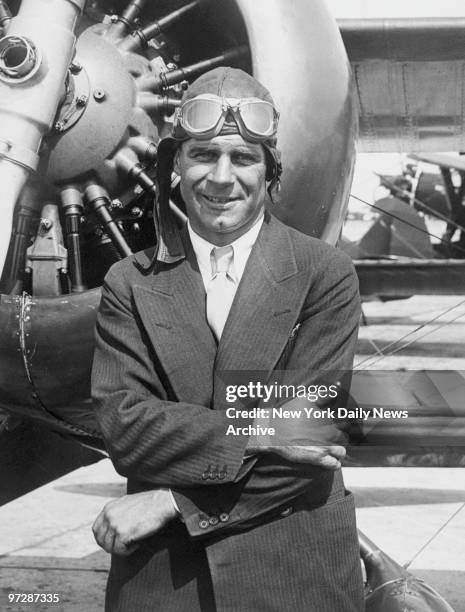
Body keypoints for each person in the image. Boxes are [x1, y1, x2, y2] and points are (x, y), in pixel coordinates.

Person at [91, 67, 364, 611]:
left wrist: (172, 501)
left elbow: (312, 441)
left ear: (269, 173)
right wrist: (261, 429)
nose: (221, 178)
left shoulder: (324, 274)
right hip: (164, 582)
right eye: (203, 156)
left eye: (242, 158)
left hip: (293, 573)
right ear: (172, 170)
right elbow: (125, 427)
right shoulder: (129, 282)